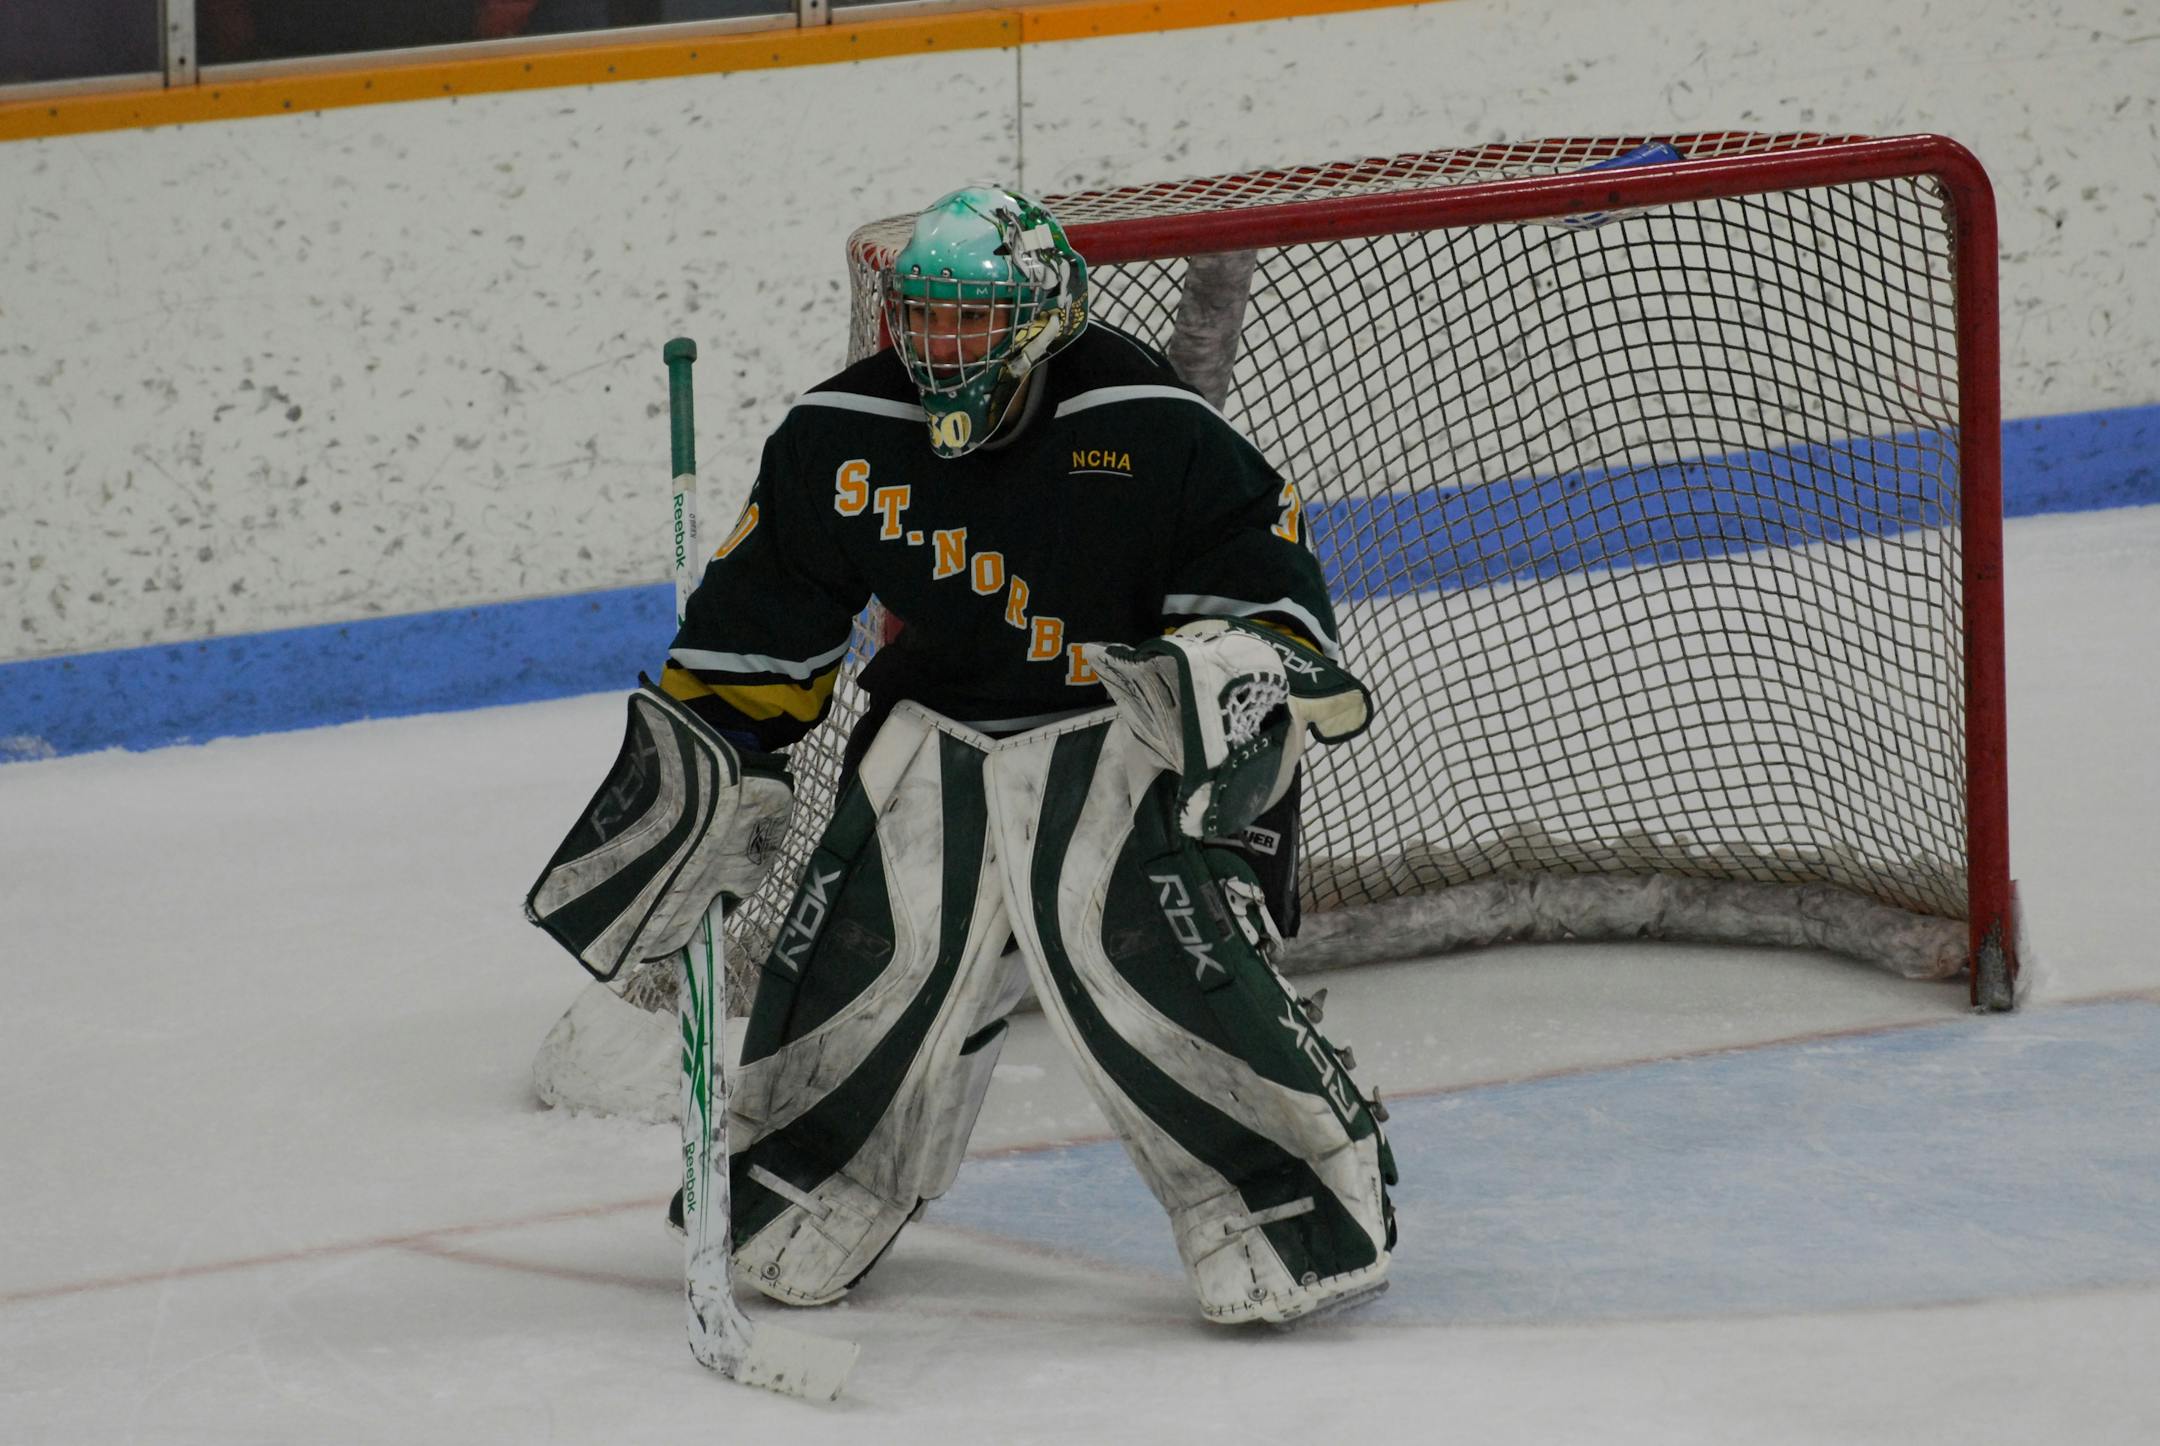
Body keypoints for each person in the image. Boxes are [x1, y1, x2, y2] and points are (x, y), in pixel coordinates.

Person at [529, 186, 1396, 1327]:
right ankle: (804, 1186)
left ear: (1043, 314)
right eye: (925, 319)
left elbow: (1269, 602)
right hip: (932, 729)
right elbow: (766, 617)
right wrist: (720, 760)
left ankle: (1291, 1201)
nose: (943, 347)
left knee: (1140, 975)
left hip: (1111, 729)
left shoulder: (1150, 420)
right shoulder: (841, 433)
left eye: (972, 320)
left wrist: (1228, 673)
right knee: (858, 966)